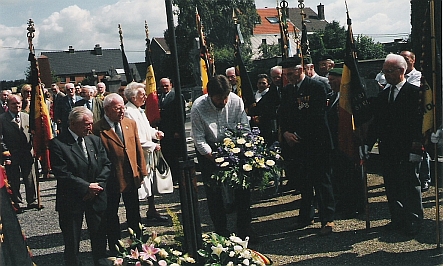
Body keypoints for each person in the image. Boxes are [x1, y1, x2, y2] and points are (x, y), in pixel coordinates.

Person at [191, 75, 257, 242]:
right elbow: (198, 138)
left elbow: (244, 127)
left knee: (242, 189)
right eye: (220, 99)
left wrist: (242, 148)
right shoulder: (198, 107)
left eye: (226, 97)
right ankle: (221, 230)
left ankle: (244, 227)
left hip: (234, 145)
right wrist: (212, 156)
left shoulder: (236, 101)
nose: (224, 101)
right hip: (209, 150)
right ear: (210, 95)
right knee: (214, 192)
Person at [364, 54, 423, 236]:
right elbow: (377, 123)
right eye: (384, 71)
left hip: (406, 147)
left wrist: (417, 148)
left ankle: (413, 219)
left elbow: (418, 123)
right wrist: (368, 144)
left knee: (409, 184)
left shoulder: (414, 94)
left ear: (401, 71)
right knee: (392, 184)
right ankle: (397, 218)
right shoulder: (384, 95)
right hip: (388, 148)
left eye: (389, 71)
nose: (386, 75)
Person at [277, 57, 335, 236]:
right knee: (304, 182)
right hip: (296, 145)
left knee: (321, 181)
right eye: (286, 75)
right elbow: (283, 115)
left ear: (300, 69)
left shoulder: (316, 87)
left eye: (291, 73)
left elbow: (316, 116)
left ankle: (328, 219)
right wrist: (286, 132)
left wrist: (299, 134)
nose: (288, 77)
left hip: (317, 143)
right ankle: (305, 216)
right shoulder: (287, 91)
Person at [49, 106, 110, 266]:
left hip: (96, 196)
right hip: (72, 199)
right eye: (86, 124)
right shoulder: (58, 144)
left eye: (91, 123)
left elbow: (106, 165)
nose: (90, 127)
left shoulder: (94, 140)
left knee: (99, 235)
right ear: (73, 124)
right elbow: (62, 173)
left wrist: (97, 186)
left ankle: (101, 261)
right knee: (72, 240)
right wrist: (86, 187)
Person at [92, 93, 147, 253]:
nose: (122, 111)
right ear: (107, 109)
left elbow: (137, 147)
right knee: (111, 214)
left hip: (131, 176)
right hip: (111, 179)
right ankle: (116, 247)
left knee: (134, 213)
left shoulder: (130, 123)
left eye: (123, 107)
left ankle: (138, 244)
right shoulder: (97, 129)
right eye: (118, 108)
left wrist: (142, 171)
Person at [124, 82, 168, 223]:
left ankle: (152, 210)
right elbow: (133, 136)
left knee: (150, 182)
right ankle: (135, 219)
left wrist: (155, 133)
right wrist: (151, 145)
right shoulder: (128, 112)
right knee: (139, 186)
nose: (144, 97)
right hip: (139, 153)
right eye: (141, 95)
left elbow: (146, 128)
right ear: (132, 97)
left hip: (148, 153)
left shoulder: (139, 110)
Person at [326, 68, 365, 218]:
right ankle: (343, 203)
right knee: (340, 176)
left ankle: (355, 205)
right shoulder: (333, 96)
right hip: (336, 142)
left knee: (352, 176)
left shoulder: (348, 97)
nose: (330, 83)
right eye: (329, 80)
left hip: (349, 141)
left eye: (333, 80)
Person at [0, 94, 37, 212]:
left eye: (18, 103)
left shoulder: (27, 117)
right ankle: (17, 201)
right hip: (12, 153)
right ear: (8, 105)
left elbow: (33, 134)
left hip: (26, 152)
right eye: (13, 104)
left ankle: (32, 200)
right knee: (14, 178)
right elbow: (0, 138)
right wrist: (5, 153)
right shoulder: (2, 119)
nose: (17, 106)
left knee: (30, 177)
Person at [400, 50, 430, 192]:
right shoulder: (398, 76)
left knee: (421, 150)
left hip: (416, 116)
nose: (403, 60)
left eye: (406, 58)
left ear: (413, 60)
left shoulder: (417, 76)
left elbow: (412, 91)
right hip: (401, 118)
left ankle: (424, 178)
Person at [157, 77, 185, 184]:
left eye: (166, 85)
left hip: (174, 132)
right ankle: (172, 176)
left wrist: (178, 130)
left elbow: (181, 114)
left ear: (171, 85)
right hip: (165, 132)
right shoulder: (159, 98)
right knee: (167, 154)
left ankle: (178, 177)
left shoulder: (176, 96)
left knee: (176, 155)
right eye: (162, 86)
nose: (164, 87)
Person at [248, 74, 279, 145]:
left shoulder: (272, 96)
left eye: (264, 83)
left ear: (268, 85)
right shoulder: (253, 96)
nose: (261, 85)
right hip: (254, 126)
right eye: (259, 83)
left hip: (267, 127)